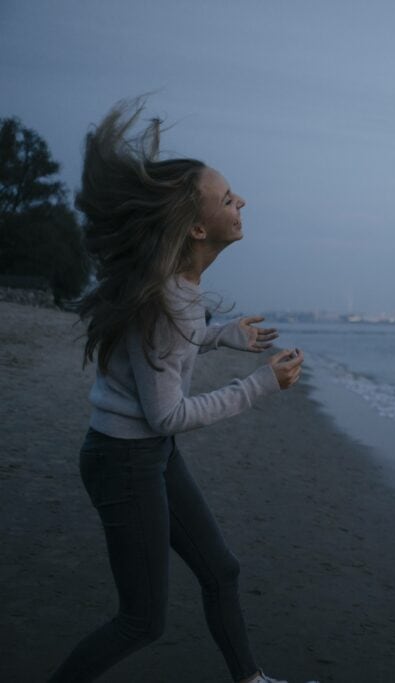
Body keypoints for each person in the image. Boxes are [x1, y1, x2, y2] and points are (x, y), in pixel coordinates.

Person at [49, 99, 304, 683]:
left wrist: (223, 336)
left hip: (147, 456)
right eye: (228, 199)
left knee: (221, 572)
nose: (241, 203)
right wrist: (260, 383)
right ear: (196, 227)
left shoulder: (179, 287)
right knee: (141, 620)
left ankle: (252, 680)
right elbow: (166, 414)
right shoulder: (165, 299)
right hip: (126, 460)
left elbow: (176, 341)